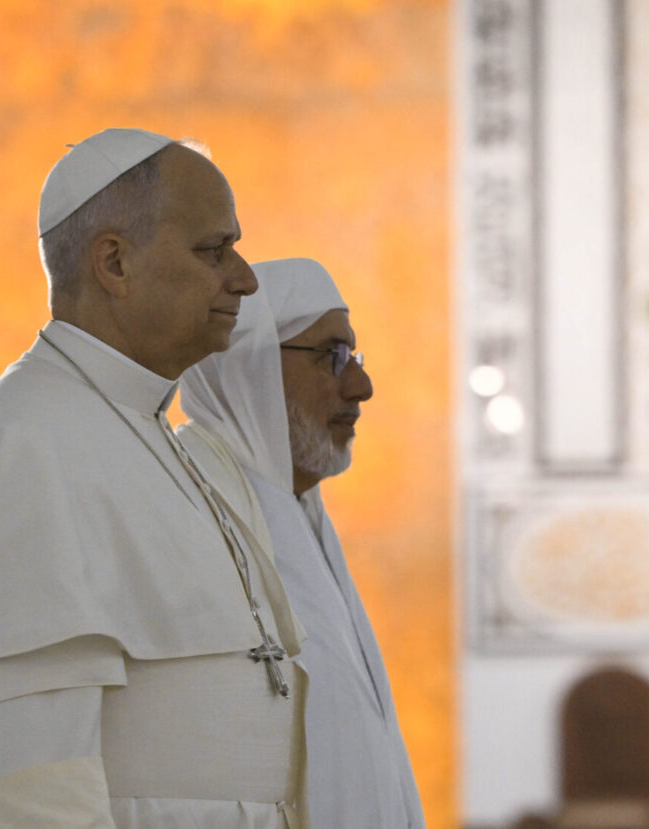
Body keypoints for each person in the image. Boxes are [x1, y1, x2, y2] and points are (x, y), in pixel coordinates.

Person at [0, 128, 308, 826]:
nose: (245, 278)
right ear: (114, 261)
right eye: (213, 250)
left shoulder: (157, 433)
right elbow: (32, 793)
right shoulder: (29, 442)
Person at [180, 257, 426, 827]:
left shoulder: (301, 512)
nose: (360, 385)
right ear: (250, 367)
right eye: (332, 356)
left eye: (355, 358)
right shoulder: (187, 504)